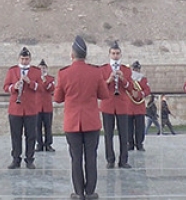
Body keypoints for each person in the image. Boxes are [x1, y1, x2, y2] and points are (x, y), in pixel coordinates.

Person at [54, 35, 108, 200]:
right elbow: (104, 94)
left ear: (72, 55)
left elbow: (57, 98)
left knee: (76, 158)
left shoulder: (64, 74)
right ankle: (90, 192)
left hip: (72, 122)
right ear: (86, 55)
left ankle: (78, 192)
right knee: (91, 157)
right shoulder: (95, 72)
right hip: (91, 121)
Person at [3, 46, 42, 169]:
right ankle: (16, 159)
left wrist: (30, 82)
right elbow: (5, 87)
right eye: (22, 59)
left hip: (30, 108)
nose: (24, 61)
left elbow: (40, 88)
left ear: (30, 59)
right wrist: (14, 86)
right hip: (15, 108)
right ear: (19, 59)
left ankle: (30, 159)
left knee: (31, 135)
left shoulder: (36, 71)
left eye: (26, 59)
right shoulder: (12, 71)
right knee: (16, 135)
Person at [100, 41, 132, 169]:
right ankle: (110, 159)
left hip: (122, 104)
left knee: (124, 134)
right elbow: (100, 88)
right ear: (109, 55)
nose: (115, 56)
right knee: (108, 134)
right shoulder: (103, 69)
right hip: (108, 104)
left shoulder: (126, 69)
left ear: (121, 55)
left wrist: (123, 79)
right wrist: (109, 80)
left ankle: (123, 160)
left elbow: (130, 87)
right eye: (113, 53)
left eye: (117, 53)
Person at [127, 60, 151, 151]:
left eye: (137, 68)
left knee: (140, 127)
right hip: (129, 106)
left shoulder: (143, 79)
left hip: (139, 106)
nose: (136, 70)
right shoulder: (129, 79)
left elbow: (147, 90)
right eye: (135, 68)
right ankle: (130, 143)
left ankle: (139, 144)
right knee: (128, 128)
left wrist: (140, 94)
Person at [35, 59, 56, 152]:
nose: (42, 70)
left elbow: (51, 88)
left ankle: (48, 144)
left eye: (44, 68)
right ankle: (39, 144)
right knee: (37, 127)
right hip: (37, 107)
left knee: (48, 126)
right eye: (40, 68)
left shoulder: (51, 79)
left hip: (47, 107)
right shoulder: (35, 79)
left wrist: (45, 81)